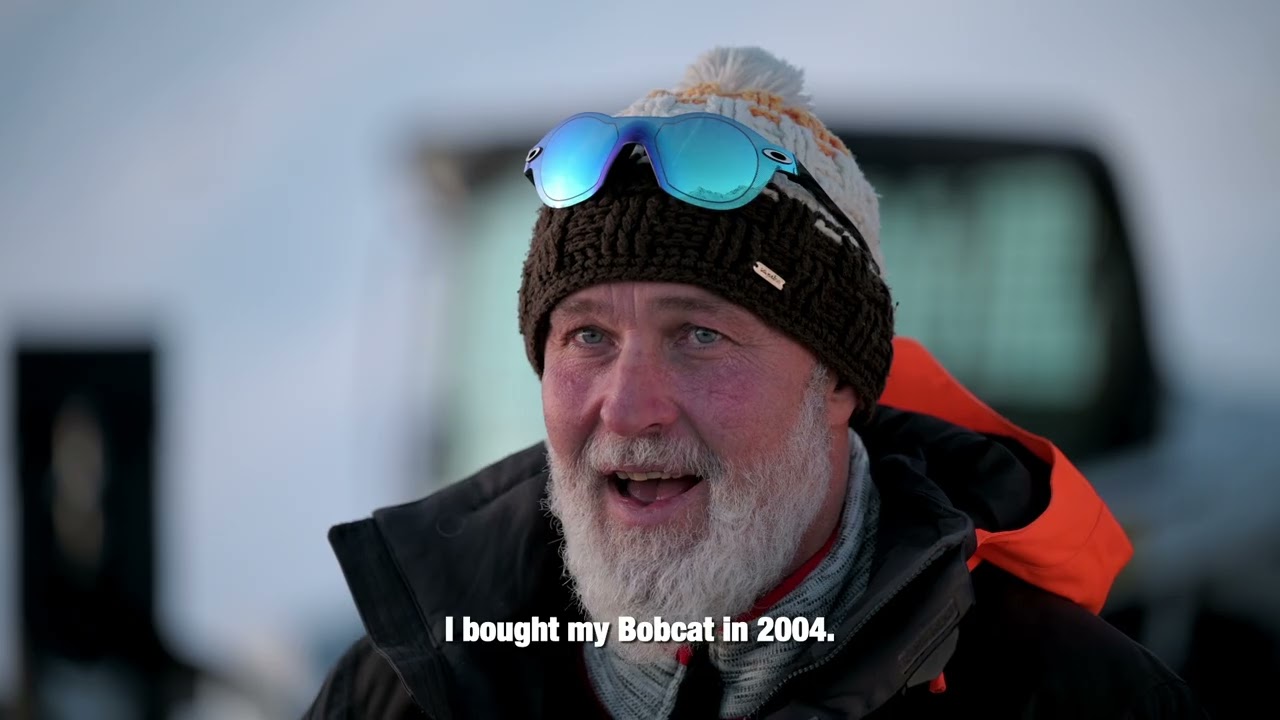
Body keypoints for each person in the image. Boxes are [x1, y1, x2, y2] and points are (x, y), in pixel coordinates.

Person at [303, 46, 1205, 719]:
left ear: (840, 383)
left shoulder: (1072, 700)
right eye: (585, 336)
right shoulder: (408, 686)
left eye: (698, 334)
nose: (627, 405)